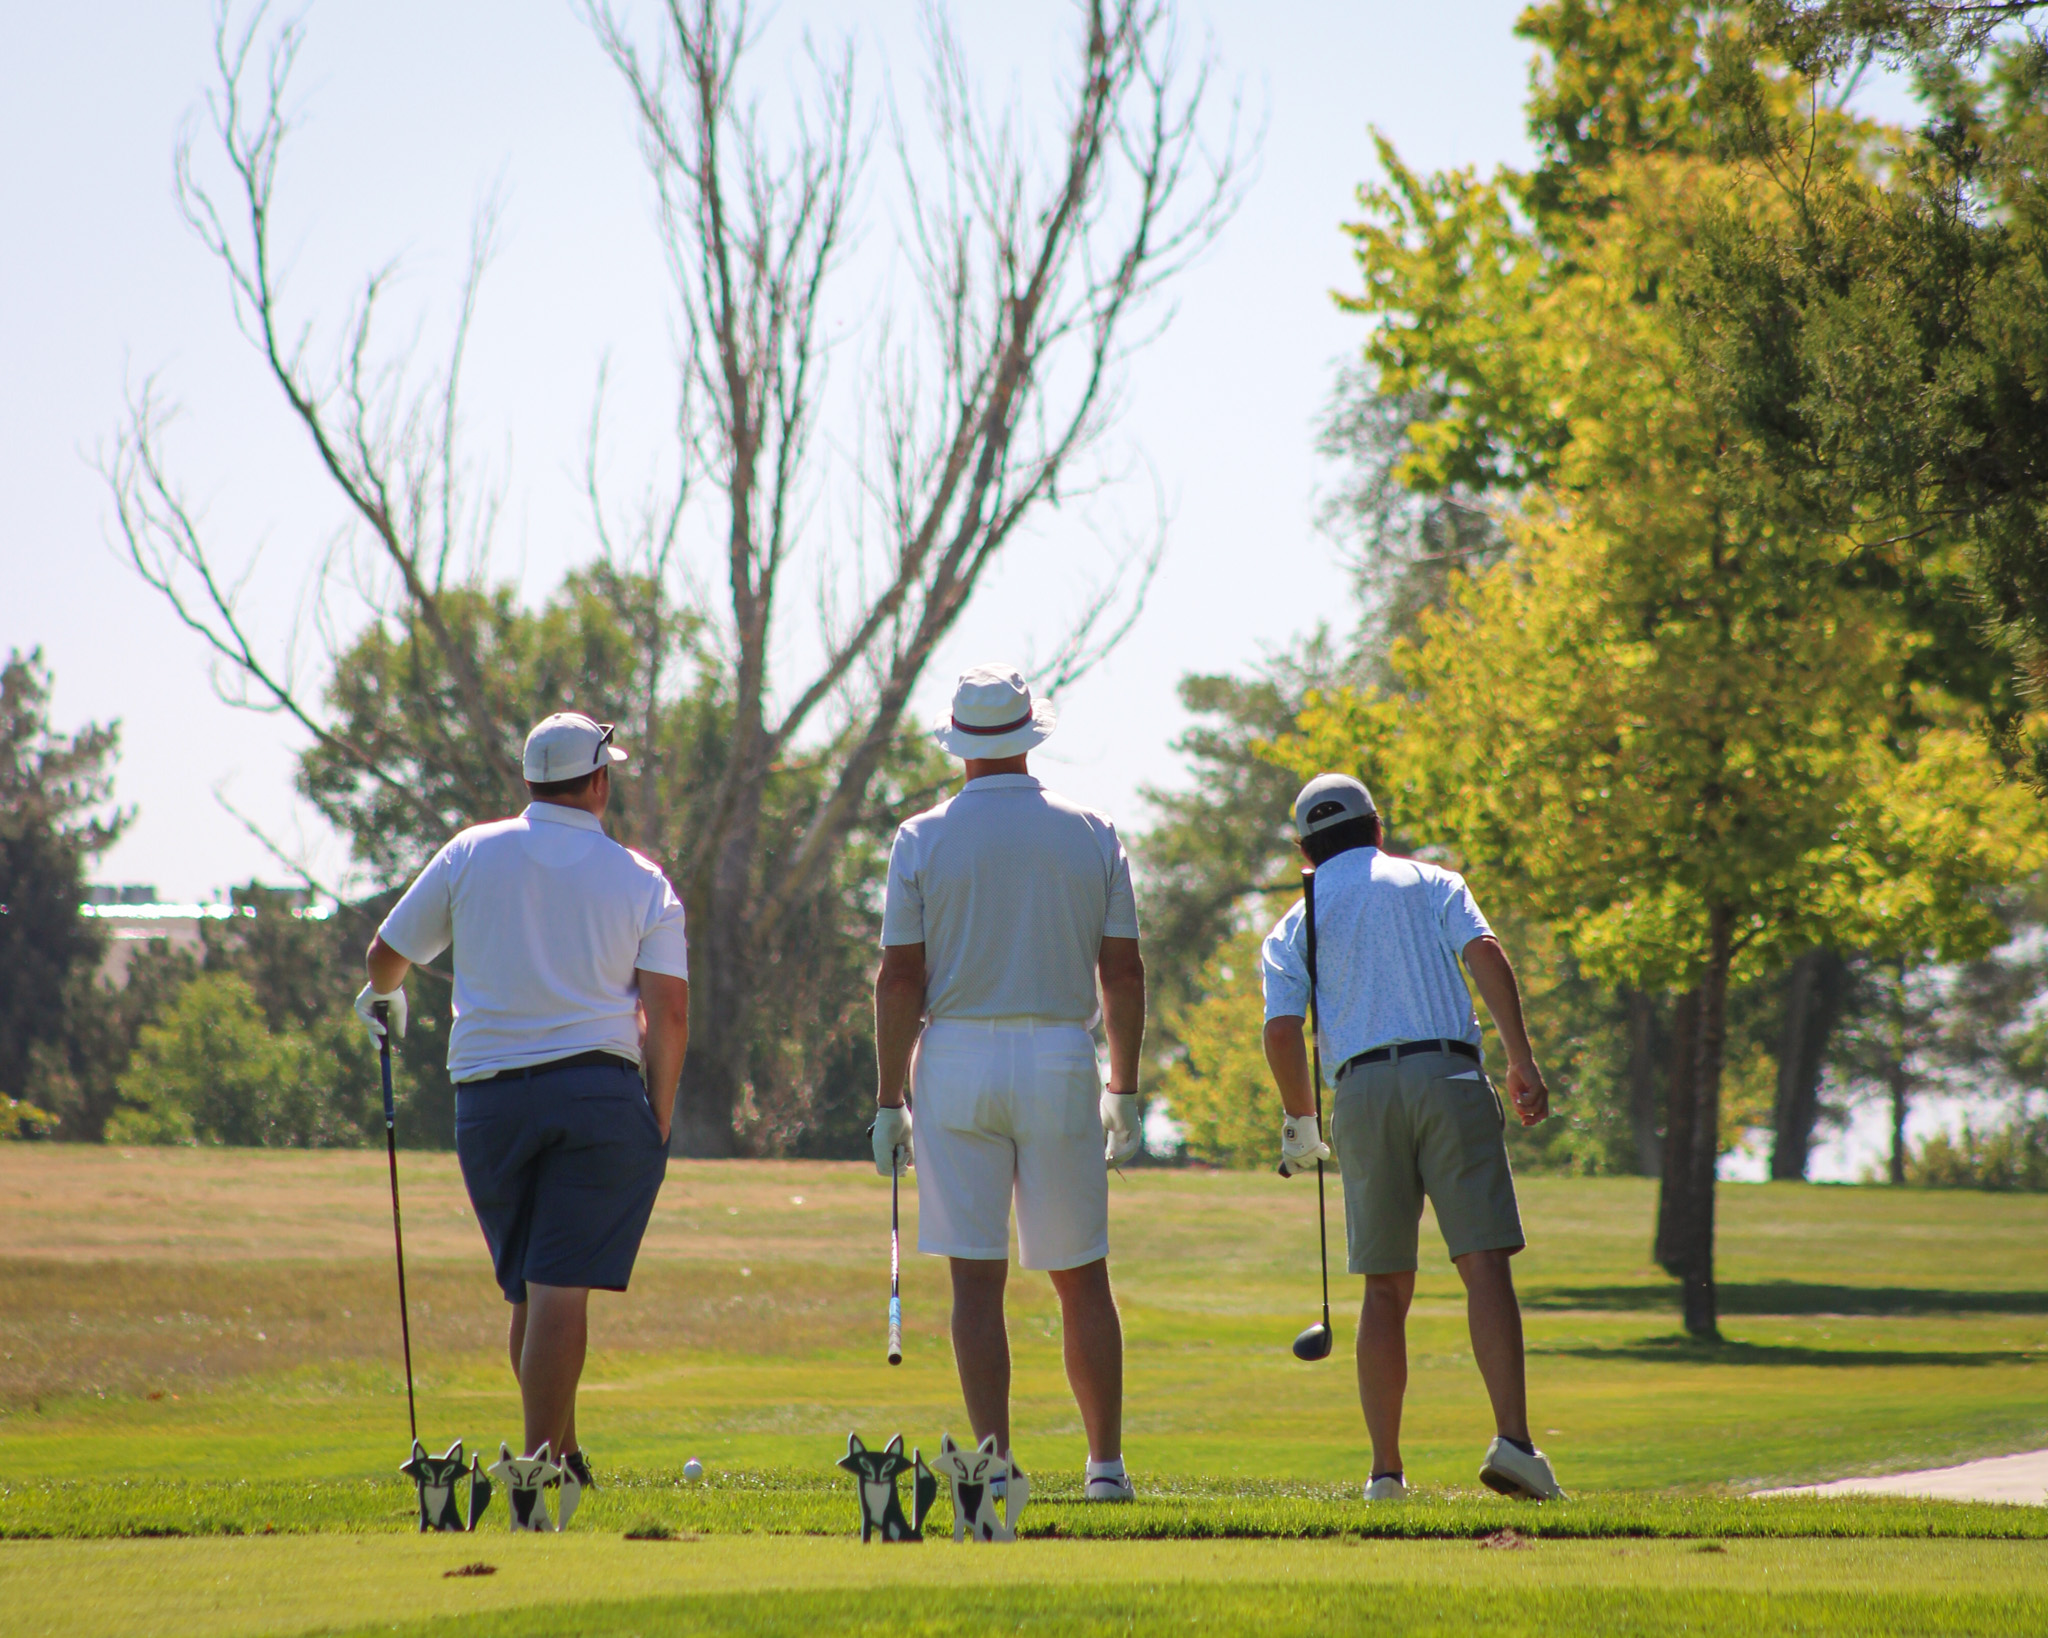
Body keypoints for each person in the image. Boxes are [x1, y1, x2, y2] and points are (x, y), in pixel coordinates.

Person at [353, 712, 690, 1520]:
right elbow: (669, 1016)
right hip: (600, 1097)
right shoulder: (641, 878)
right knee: (559, 1293)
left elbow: (385, 956)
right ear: (600, 782)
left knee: (533, 1294)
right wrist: (661, 1117)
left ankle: (563, 1458)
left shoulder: (473, 849)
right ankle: (539, 1479)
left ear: (530, 781)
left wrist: (385, 997)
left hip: (489, 1102)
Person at [871, 664, 1146, 1503]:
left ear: (957, 746)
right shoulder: (1092, 829)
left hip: (954, 1060)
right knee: (1081, 1274)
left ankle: (992, 1464)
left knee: (974, 1279)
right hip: (1061, 1058)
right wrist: (1125, 1089)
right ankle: (1104, 1468)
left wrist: (888, 1100)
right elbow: (1123, 972)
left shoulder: (921, 837)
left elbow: (899, 980)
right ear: (1030, 736)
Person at [1260, 773, 1563, 1502]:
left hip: (1360, 1095)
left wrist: (1301, 1122)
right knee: (1483, 1264)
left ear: (1305, 851)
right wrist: (1521, 1058)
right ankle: (1513, 1443)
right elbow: (1484, 953)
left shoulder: (1294, 921)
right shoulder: (1432, 881)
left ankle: (1385, 1474)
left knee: (1384, 1289)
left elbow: (1281, 1029)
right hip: (1448, 1077)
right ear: (1378, 827)